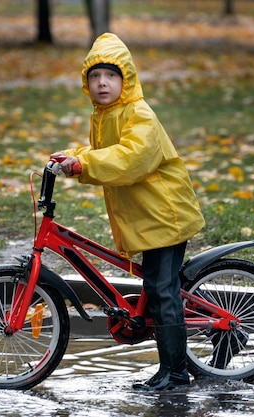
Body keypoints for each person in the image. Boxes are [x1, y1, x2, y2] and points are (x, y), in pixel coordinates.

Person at [52, 33, 205, 391]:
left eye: (110, 76)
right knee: (159, 283)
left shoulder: (140, 114)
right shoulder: (104, 115)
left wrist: (83, 164)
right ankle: (187, 346)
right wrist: (71, 154)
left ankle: (176, 373)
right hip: (148, 216)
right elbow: (100, 150)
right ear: (86, 83)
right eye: (94, 76)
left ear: (127, 80)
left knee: (160, 288)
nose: (102, 83)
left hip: (165, 214)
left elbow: (130, 158)